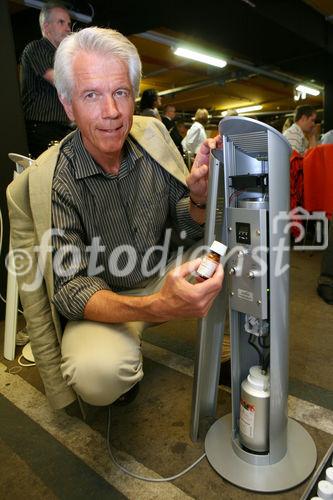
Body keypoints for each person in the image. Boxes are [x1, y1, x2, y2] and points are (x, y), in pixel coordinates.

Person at [14, 26, 222, 409]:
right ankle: (125, 354)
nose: (111, 112)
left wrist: (196, 199)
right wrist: (158, 305)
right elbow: (71, 289)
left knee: (240, 249)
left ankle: (225, 346)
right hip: (107, 300)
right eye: (91, 95)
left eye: (120, 93)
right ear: (67, 104)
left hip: (163, 268)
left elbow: (183, 225)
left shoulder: (153, 135)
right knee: (98, 375)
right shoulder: (56, 179)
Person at [20, 1, 72, 159]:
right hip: (42, 127)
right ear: (47, 26)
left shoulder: (63, 56)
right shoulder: (36, 48)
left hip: (61, 127)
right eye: (61, 22)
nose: (68, 28)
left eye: (69, 23)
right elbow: (58, 80)